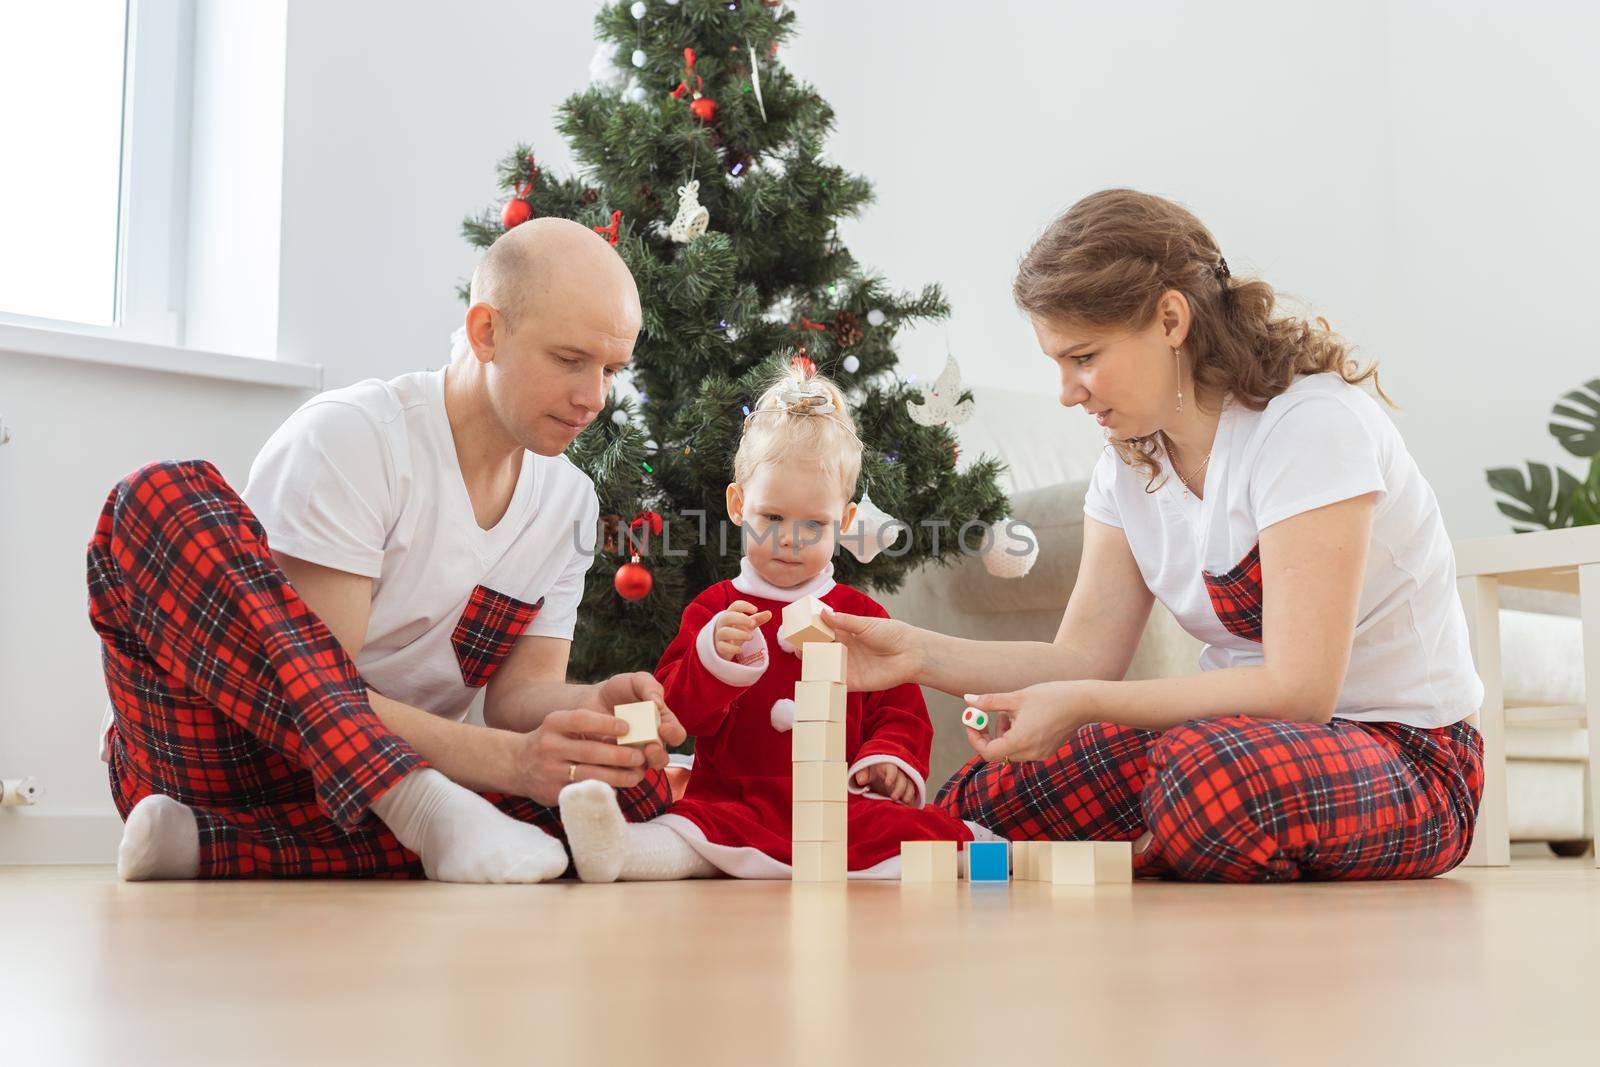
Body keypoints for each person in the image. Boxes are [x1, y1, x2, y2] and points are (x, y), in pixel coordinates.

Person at [825, 188, 1486, 883]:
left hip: (1409, 758)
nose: (1067, 391)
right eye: (1057, 363)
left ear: (1171, 319)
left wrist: (1084, 706)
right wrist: (912, 653)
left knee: (1201, 786)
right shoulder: (1129, 464)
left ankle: (1154, 848)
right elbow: (1081, 657)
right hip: (1232, 744)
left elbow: (1300, 692)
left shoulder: (1311, 427)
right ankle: (1159, 851)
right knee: (977, 802)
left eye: (1083, 356)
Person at [90, 217, 686, 882]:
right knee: (156, 496)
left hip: (364, 795)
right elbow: (311, 690)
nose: (593, 398)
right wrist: (512, 764)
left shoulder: (569, 499)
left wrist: (587, 706)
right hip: (231, 745)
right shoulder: (353, 438)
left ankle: (211, 844)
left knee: (625, 788)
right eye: (570, 360)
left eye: (610, 369)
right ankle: (422, 807)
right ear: (487, 331)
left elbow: (517, 695)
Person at [556, 366, 982, 882]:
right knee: (693, 829)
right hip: (735, 794)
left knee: (922, 833)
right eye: (772, 518)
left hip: (836, 803)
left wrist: (886, 760)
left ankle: (990, 851)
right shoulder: (715, 608)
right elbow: (671, 715)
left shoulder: (861, 615)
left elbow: (902, 712)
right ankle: (618, 850)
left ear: (844, 523)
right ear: (739, 506)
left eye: (814, 525)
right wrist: (712, 657)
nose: (790, 540)